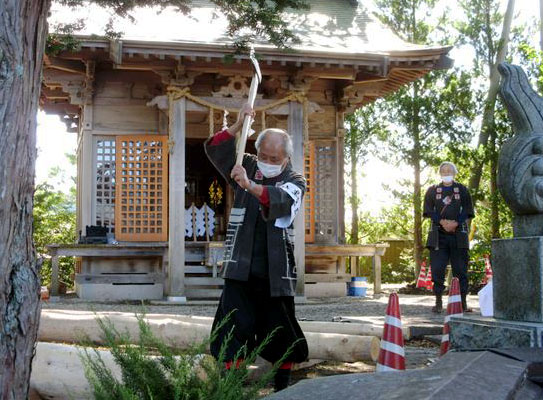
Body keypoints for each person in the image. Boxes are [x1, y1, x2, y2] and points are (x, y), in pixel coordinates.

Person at [204, 103, 308, 392]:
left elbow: (282, 201)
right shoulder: (245, 163)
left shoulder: (295, 180)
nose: (267, 161)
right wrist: (239, 125)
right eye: (263, 155)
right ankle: (231, 389)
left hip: (276, 270)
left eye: (274, 158)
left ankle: (282, 389)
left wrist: (249, 186)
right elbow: (214, 148)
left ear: (286, 158)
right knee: (231, 328)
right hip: (240, 264)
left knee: (280, 330)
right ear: (256, 150)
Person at [423, 162, 474, 313]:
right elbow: (428, 210)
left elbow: (467, 209)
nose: (446, 172)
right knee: (437, 268)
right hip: (438, 233)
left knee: (461, 269)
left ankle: (463, 302)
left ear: (455, 172)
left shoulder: (462, 189)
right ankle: (438, 301)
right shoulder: (433, 190)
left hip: (459, 233)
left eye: (449, 170)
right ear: (440, 173)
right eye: (443, 170)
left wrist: (456, 223)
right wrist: (442, 222)